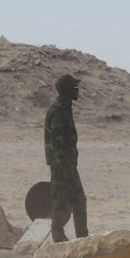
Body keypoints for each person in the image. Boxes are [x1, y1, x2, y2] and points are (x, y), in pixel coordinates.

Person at [44, 74, 87, 242]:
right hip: (62, 164)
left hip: (64, 164)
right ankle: (74, 240)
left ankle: (74, 239)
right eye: (74, 88)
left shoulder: (64, 108)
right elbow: (59, 142)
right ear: (66, 91)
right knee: (73, 202)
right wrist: (66, 169)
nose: (77, 90)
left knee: (65, 202)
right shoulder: (59, 111)